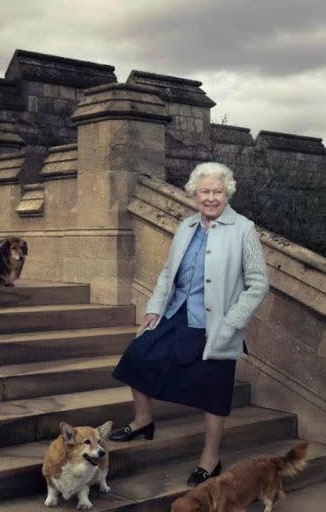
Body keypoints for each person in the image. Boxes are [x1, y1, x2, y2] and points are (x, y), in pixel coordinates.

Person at [109, 162, 269, 487]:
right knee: (137, 356)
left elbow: (258, 282)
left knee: (214, 390)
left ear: (228, 193)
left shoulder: (243, 229)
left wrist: (232, 322)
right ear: (194, 193)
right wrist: (154, 309)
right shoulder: (186, 226)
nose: (211, 198)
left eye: (217, 192)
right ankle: (143, 420)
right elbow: (169, 272)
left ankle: (210, 458)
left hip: (215, 324)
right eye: (205, 192)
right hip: (177, 312)